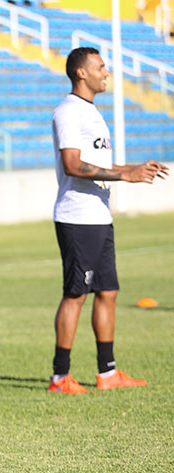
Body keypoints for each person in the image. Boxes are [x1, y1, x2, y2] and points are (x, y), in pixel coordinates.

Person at [48, 47, 168, 394]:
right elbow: (73, 164)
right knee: (76, 294)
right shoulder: (68, 112)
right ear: (81, 73)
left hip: (99, 215)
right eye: (100, 67)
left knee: (109, 292)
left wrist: (128, 171)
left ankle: (108, 373)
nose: (106, 72)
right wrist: (125, 174)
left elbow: (95, 163)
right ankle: (60, 377)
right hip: (77, 217)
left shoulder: (92, 113)